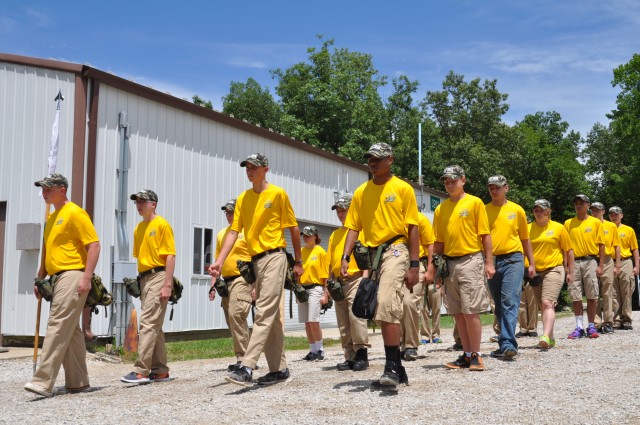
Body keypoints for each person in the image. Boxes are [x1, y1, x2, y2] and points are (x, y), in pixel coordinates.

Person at [210, 153, 303, 386]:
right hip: (255, 262)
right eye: (247, 167)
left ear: (266, 169)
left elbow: (292, 228)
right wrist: (220, 261)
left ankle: (247, 366)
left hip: (275, 256)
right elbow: (233, 232)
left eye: (254, 167)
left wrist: (298, 261)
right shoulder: (243, 199)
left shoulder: (278, 194)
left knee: (263, 311)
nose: (249, 170)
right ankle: (279, 368)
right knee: (271, 317)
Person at [341, 142, 420, 387]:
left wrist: (415, 264)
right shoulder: (361, 192)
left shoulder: (402, 188)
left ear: (390, 160)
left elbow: (413, 228)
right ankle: (398, 366)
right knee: (377, 308)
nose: (372, 162)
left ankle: (391, 368)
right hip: (372, 255)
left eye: (378, 158)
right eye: (370, 159)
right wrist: (345, 257)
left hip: (396, 249)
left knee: (386, 303)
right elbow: (353, 227)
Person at [24, 173, 100, 397]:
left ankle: (42, 380)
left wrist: (87, 277)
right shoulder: (51, 218)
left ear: (62, 189)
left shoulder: (75, 212)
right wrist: (39, 279)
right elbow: (48, 253)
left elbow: (94, 246)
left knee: (57, 323)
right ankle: (78, 381)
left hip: (73, 274)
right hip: (56, 277)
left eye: (48, 189)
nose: (44, 193)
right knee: (71, 329)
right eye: (43, 189)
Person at [434, 165, 495, 372]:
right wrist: (435, 268)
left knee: (471, 311)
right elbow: (439, 242)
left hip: (470, 260)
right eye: (446, 181)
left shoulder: (475, 203)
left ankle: (477, 354)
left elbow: (485, 235)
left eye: (453, 180)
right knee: (458, 312)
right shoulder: (440, 209)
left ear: (463, 180)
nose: (449, 184)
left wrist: (489, 262)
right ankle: (467, 354)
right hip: (449, 263)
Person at [121, 189, 176, 384]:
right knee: (155, 326)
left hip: (159, 276)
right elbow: (142, 259)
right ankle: (160, 370)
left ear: (154, 204)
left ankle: (141, 371)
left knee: (148, 323)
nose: (139, 204)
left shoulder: (161, 225)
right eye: (136, 202)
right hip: (145, 279)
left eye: (143, 201)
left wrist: (167, 284)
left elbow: (170, 255)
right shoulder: (138, 229)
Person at [485, 175, 536, 359]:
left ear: (506, 188)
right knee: (498, 304)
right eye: (491, 187)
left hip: (514, 259)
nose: (494, 190)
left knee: (509, 300)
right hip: (492, 260)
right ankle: (503, 341)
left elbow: (525, 238)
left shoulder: (517, 210)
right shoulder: (483, 210)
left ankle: (508, 343)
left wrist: (531, 262)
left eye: (498, 187)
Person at [327, 194, 370, 371]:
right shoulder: (335, 234)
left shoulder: (361, 230)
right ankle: (350, 356)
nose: (340, 213)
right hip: (339, 282)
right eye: (338, 210)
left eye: (344, 210)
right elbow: (331, 261)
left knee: (356, 317)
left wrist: (366, 278)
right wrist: (329, 283)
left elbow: (366, 256)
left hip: (355, 278)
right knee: (343, 320)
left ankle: (361, 354)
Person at [209, 199, 253, 371]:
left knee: (237, 314)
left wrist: (255, 285)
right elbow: (217, 261)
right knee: (231, 319)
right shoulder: (222, 234)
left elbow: (255, 258)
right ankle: (242, 356)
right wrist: (213, 285)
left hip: (243, 278)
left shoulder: (247, 231)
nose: (229, 214)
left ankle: (245, 359)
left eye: (232, 211)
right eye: (226, 212)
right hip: (226, 282)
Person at [528, 199, 574, 349]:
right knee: (542, 305)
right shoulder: (527, 228)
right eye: (536, 209)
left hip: (554, 269)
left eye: (541, 209)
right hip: (535, 272)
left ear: (548, 211)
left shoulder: (558, 228)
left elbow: (569, 250)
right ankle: (551, 337)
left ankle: (545, 336)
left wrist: (570, 271)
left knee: (547, 302)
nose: (538, 212)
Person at [564, 194, 604, 339]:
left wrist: (600, 265)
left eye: (581, 203)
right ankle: (579, 327)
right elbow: (566, 247)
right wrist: (566, 266)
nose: (578, 206)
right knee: (576, 295)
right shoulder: (568, 223)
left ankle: (592, 326)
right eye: (576, 203)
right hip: (574, 262)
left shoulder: (595, 222)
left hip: (590, 260)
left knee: (592, 294)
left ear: (588, 205)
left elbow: (601, 245)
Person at [403, 211, 435, 357]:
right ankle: (398, 343)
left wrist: (430, 269)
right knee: (395, 305)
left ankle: (411, 345)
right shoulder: (394, 217)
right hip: (395, 264)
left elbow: (430, 245)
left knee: (409, 303)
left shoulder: (420, 219)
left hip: (417, 266)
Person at [299, 225, 329, 361]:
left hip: (316, 288)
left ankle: (320, 350)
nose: (305, 237)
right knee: (306, 322)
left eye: (308, 235)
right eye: (303, 235)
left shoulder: (321, 252)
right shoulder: (300, 252)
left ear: (315, 236)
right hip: (302, 289)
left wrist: (325, 294)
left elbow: (326, 276)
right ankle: (312, 351)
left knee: (313, 321)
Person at [590, 202, 621, 334]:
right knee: (593, 291)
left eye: (597, 210)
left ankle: (608, 322)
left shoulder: (610, 226)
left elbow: (617, 246)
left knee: (607, 291)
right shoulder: (588, 224)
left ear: (603, 211)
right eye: (592, 210)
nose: (594, 213)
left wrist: (617, 264)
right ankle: (596, 322)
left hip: (608, 260)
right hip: (592, 259)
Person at [609, 206, 639, 330]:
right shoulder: (606, 229)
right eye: (611, 214)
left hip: (625, 261)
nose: (613, 216)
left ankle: (626, 319)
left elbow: (635, 248)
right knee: (613, 292)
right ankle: (616, 319)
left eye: (616, 214)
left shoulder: (628, 230)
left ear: (621, 215)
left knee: (626, 290)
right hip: (610, 262)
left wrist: (637, 265)